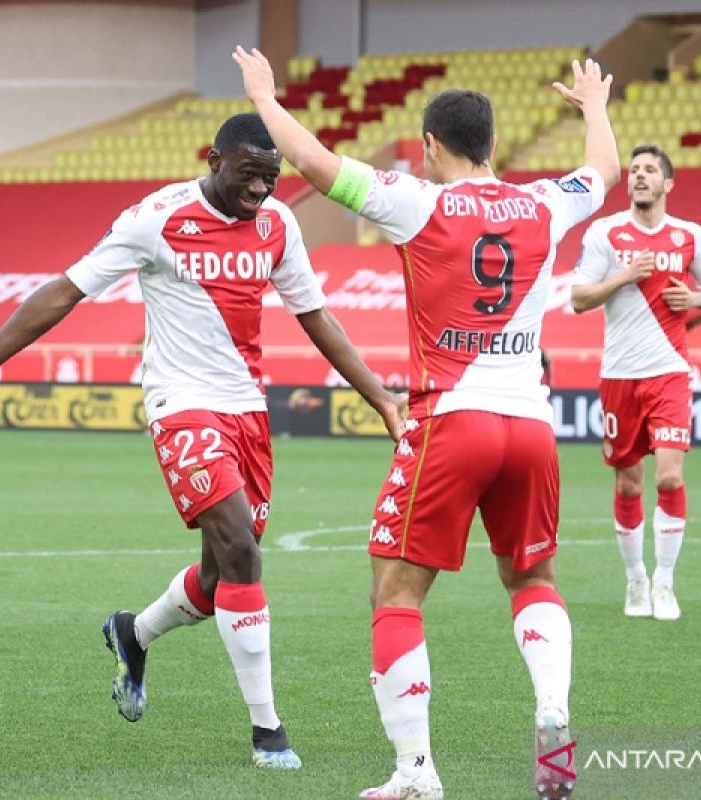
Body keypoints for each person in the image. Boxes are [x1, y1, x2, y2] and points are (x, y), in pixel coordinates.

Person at [0, 113, 405, 770]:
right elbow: (66, 290)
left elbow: (315, 315)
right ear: (214, 159)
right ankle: (268, 732)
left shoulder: (278, 226)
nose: (260, 190)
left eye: (270, 176)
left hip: (246, 412)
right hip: (180, 406)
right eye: (247, 175)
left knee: (219, 573)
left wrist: (378, 395)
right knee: (241, 551)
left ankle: (133, 632)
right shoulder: (156, 218)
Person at [236, 47, 619, 800]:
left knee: (397, 593)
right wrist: (595, 108)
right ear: (494, 146)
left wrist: (265, 97)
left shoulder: (418, 200)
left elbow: (315, 165)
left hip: (453, 422)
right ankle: (552, 710)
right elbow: (602, 171)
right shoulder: (546, 202)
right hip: (533, 427)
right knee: (533, 576)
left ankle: (416, 771)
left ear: (431, 146)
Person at [569, 144, 701, 622]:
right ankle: (635, 578)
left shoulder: (689, 235)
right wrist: (624, 277)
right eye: (634, 170)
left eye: (650, 170)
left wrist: (695, 297)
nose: (639, 176)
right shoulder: (606, 232)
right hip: (619, 376)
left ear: (667, 184)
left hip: (670, 371)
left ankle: (664, 583)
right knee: (630, 483)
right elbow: (577, 297)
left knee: (670, 476)